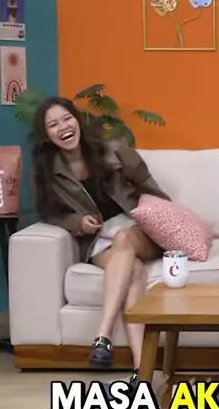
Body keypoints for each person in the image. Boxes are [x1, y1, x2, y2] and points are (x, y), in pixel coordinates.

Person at [31, 96, 170, 381]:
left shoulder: (113, 150)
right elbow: (49, 213)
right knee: (133, 271)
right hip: (99, 239)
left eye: (67, 119)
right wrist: (77, 222)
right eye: (53, 125)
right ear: (47, 135)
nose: (63, 127)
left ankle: (102, 335)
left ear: (78, 120)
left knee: (125, 238)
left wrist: (161, 218)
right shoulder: (48, 170)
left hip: (136, 228)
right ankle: (142, 371)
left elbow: (149, 187)